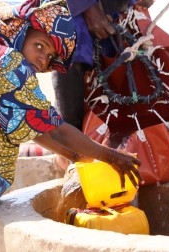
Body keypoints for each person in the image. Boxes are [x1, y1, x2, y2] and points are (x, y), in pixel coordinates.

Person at [0, 0, 143, 250]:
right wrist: (111, 157)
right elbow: (55, 129)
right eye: (39, 46)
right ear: (20, 32)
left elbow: (34, 126)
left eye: (50, 56)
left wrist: (76, 157)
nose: (43, 58)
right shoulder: (8, 65)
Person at [51, 0, 154, 168]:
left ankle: (101, 158)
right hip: (83, 9)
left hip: (117, 11)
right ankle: (73, 159)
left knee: (122, 69)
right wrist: (89, 8)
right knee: (72, 53)